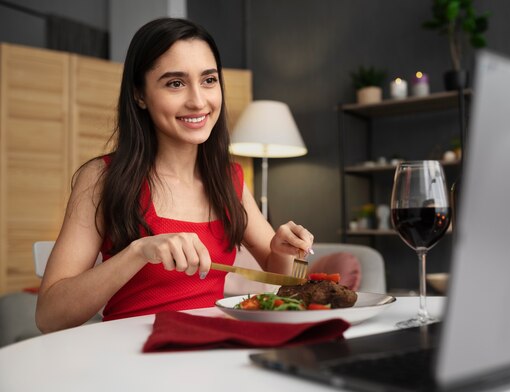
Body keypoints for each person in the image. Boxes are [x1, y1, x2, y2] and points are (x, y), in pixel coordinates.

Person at [35, 18, 314, 333]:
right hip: (128, 358)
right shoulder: (101, 178)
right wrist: (139, 251)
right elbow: (49, 316)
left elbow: (286, 281)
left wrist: (284, 251)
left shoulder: (229, 179)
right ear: (140, 94)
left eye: (208, 80)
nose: (197, 100)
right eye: (175, 83)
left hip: (209, 352)